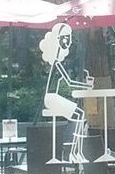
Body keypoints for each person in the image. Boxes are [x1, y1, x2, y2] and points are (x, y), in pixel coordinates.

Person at [39, 23, 93, 163]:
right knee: (80, 114)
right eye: (64, 38)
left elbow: (67, 82)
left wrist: (85, 86)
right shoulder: (56, 62)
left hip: (54, 97)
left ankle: (75, 152)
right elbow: (69, 82)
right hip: (51, 98)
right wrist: (86, 86)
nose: (67, 41)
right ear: (57, 39)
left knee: (81, 114)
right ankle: (72, 152)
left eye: (68, 38)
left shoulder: (57, 61)